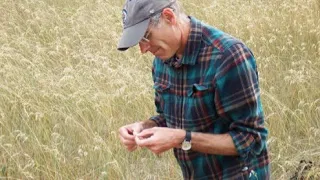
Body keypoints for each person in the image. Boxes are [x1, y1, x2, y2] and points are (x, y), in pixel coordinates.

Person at [117, 0, 270, 179]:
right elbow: (169, 118)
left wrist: (182, 139)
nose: (143, 49)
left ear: (169, 17)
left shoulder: (228, 56)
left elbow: (251, 139)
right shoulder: (163, 58)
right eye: (139, 42)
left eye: (146, 36)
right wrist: (144, 127)